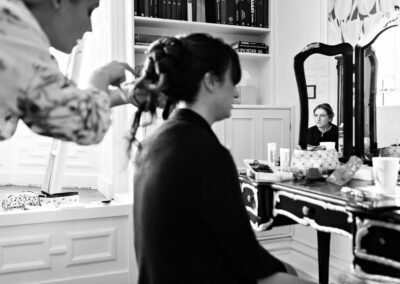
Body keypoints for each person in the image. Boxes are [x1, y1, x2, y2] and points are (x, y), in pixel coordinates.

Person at [132, 33, 314, 284]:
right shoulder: (206, 152)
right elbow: (247, 257)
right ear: (211, 81)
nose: (236, 92)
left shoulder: (152, 143)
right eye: (232, 80)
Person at [0, 0, 140, 145]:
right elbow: (87, 124)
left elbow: (61, 101)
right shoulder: (17, 35)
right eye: (89, 11)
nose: (90, 28)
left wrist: (128, 94)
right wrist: (101, 76)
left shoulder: (12, 27)